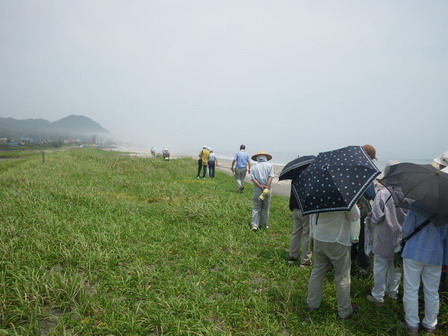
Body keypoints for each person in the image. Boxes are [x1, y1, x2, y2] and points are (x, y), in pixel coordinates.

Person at [307, 205, 360, 320]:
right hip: (338, 240)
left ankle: (312, 304)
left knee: (317, 272)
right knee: (342, 277)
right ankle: (344, 311)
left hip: (319, 237)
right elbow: (355, 216)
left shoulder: (318, 193)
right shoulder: (345, 197)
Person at [401, 206, 448, 335]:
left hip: (413, 253)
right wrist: (446, 260)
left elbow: (406, 230)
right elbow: (446, 239)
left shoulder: (416, 205)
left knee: (411, 289)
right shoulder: (445, 209)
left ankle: (412, 325)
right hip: (435, 255)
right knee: (432, 292)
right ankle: (430, 326)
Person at [365, 162, 407, 305]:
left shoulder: (382, 193)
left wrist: (370, 216)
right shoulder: (408, 194)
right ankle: (393, 294)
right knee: (396, 268)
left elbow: (377, 216)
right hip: (400, 237)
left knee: (380, 266)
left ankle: (378, 295)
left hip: (383, 237)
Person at [351, 144, 377, 276]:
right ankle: (362, 269)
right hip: (362, 209)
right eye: (372, 159)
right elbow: (371, 194)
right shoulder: (366, 170)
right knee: (363, 239)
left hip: (349, 207)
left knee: (350, 237)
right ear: (368, 157)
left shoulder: (349, 166)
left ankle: (349, 264)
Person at [288, 176, 312, 267]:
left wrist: (291, 206)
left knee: (296, 232)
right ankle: (305, 260)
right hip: (306, 209)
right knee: (307, 234)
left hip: (295, 207)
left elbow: (292, 193)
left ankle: (292, 256)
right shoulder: (311, 177)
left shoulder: (295, 177)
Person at [250, 151, 275, 231]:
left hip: (258, 189)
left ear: (257, 158)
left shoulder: (253, 167)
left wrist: (260, 186)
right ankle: (263, 225)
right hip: (267, 189)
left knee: (256, 207)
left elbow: (253, 179)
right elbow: (270, 177)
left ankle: (254, 225)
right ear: (265, 158)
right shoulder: (270, 166)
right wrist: (266, 188)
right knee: (265, 207)